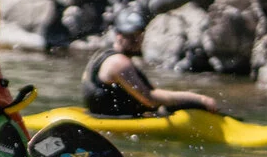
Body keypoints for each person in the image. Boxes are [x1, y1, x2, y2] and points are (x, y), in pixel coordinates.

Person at [84, 7, 222, 119]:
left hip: (108, 116)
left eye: (138, 35)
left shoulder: (100, 55)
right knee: (194, 105)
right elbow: (150, 98)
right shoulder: (118, 62)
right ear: (118, 35)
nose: (136, 40)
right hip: (115, 120)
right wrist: (200, 99)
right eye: (130, 36)